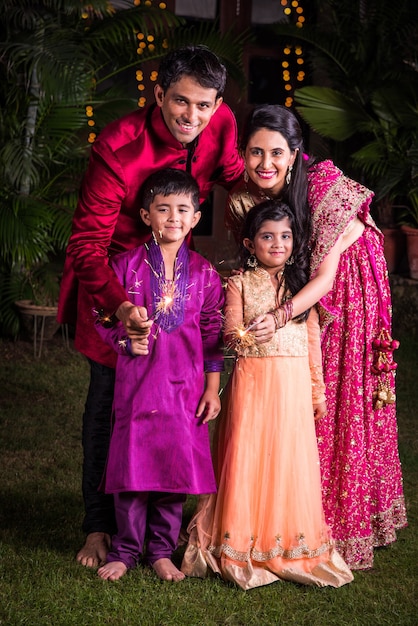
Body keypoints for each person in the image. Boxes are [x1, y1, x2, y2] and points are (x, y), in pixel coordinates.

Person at [57, 45, 244, 567]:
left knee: (177, 407)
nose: (192, 116)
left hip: (180, 277)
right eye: (180, 102)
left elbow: (240, 178)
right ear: (158, 94)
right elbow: (86, 245)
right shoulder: (118, 145)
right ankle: (99, 527)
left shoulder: (220, 120)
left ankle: (161, 520)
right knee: (107, 406)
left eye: (203, 106)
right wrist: (119, 307)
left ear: (217, 103)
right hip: (115, 281)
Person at [223, 104, 407, 569]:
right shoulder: (249, 199)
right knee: (309, 399)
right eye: (255, 152)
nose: (265, 163)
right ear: (242, 153)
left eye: (276, 153)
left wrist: (283, 312)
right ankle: (297, 514)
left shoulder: (322, 185)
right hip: (303, 291)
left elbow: (327, 277)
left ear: (295, 153)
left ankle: (337, 521)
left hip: (348, 293)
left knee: (337, 394)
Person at [181, 200, 354, 589]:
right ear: (250, 242)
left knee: (287, 460)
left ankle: (286, 542)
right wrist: (245, 335)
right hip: (254, 384)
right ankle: (241, 540)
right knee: (248, 456)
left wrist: (317, 391)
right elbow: (228, 333)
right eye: (267, 236)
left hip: (292, 385)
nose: (278, 244)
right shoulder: (239, 282)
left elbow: (312, 342)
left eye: (286, 236)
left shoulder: (302, 287)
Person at [94, 168, 224, 582]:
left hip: (185, 389)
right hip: (137, 385)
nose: (173, 217)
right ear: (146, 214)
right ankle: (126, 549)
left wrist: (212, 389)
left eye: (182, 209)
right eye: (162, 208)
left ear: (196, 218)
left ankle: (161, 551)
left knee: (175, 470)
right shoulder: (124, 266)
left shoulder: (204, 274)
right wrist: (125, 340)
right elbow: (102, 316)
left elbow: (212, 333)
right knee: (132, 469)